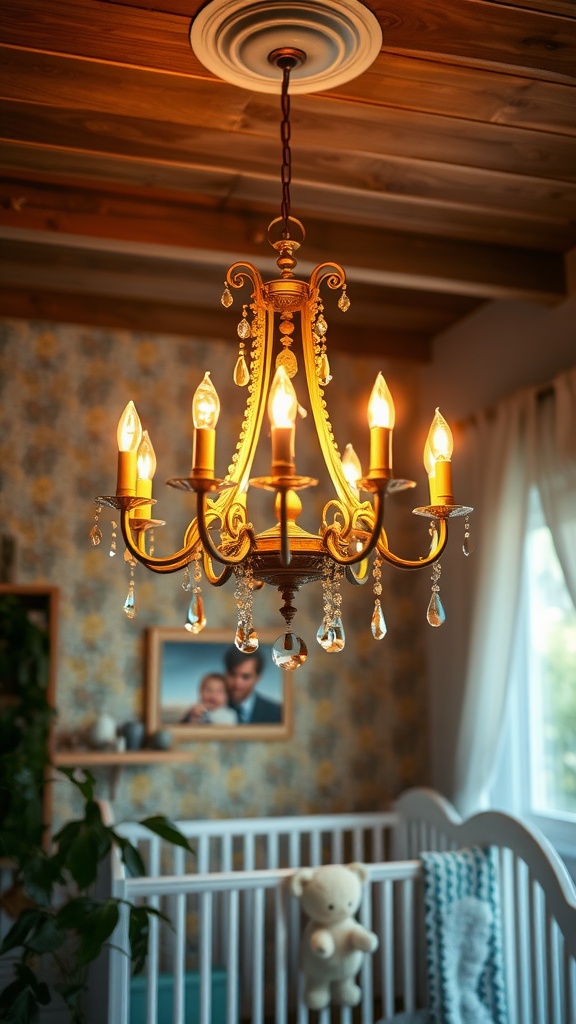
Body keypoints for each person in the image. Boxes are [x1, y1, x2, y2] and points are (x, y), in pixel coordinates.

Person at [223, 646, 282, 724]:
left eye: (245, 677)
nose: (237, 683)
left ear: (258, 678)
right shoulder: (211, 710)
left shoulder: (277, 713)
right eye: (232, 674)